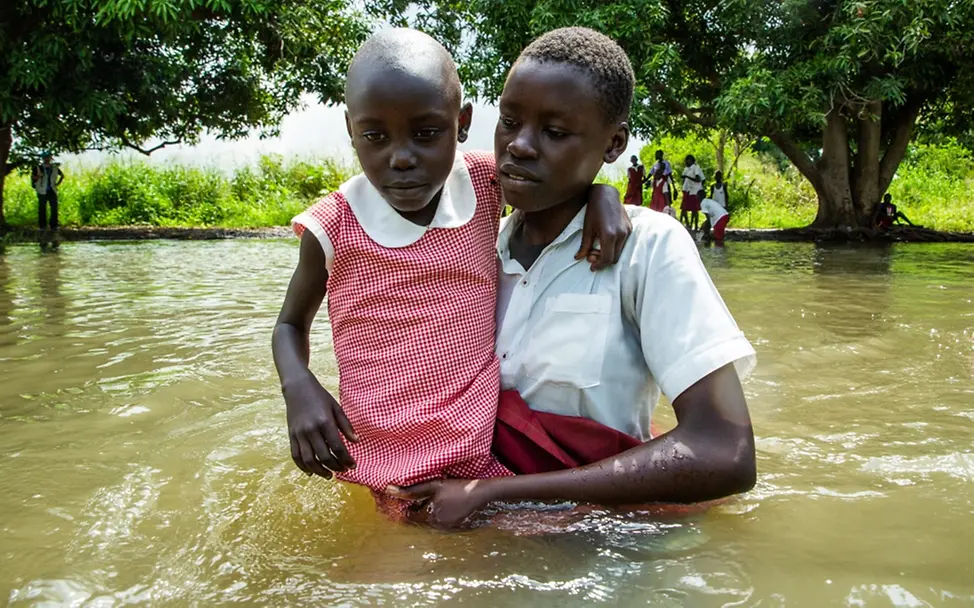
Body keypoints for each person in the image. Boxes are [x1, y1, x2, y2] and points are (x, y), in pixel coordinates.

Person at [389, 27, 757, 528]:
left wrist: (498, 495)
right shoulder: (470, 248)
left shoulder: (643, 249)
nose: (518, 146)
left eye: (555, 132)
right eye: (510, 122)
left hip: (594, 548)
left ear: (614, 144)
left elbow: (725, 453)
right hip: (468, 525)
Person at [271, 28, 630, 517]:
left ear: (461, 124)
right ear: (350, 129)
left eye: (426, 134)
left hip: (477, 456)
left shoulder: (484, 182)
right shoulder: (333, 223)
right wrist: (300, 388)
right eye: (374, 136)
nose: (401, 158)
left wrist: (602, 194)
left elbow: (556, 179)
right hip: (381, 456)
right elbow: (290, 324)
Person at [32, 153, 64, 234]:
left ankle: (54, 226)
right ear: (43, 158)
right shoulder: (38, 168)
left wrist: (57, 184)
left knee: (54, 208)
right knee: (42, 209)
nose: (47, 159)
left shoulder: (54, 168)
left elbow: (62, 175)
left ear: (50, 158)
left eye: (48, 157)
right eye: (45, 157)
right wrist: (39, 176)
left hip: (52, 190)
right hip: (42, 190)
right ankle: (42, 226)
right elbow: (33, 178)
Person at [680, 154, 705, 231]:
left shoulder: (696, 168)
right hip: (687, 190)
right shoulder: (686, 169)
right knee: (684, 208)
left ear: (691, 161)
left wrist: (688, 177)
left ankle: (695, 225)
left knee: (695, 209)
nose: (686, 162)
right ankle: (688, 224)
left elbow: (699, 179)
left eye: (687, 160)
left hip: (695, 191)